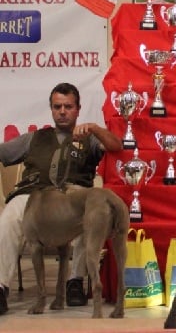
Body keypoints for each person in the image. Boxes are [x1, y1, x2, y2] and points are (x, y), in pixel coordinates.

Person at [0, 83, 122, 315]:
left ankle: (74, 282)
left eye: (68, 106)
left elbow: (116, 146)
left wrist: (96, 129)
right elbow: (2, 152)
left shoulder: (89, 138)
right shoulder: (34, 138)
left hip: (72, 196)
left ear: (78, 109)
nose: (62, 111)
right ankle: (0, 286)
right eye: (57, 107)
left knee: (92, 215)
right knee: (8, 218)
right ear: (51, 109)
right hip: (33, 195)